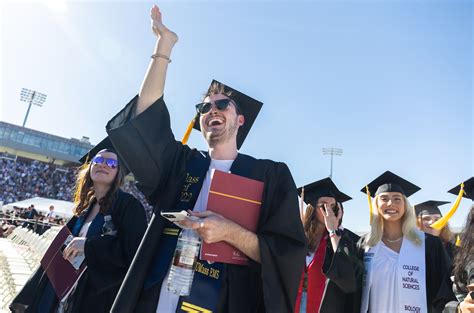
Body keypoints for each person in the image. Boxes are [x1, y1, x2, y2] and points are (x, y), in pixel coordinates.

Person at [105, 4, 306, 313]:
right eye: (203, 107)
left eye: (223, 104)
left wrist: (231, 233)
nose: (211, 110)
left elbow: (286, 255)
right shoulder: (181, 165)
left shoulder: (270, 176)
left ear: (241, 120)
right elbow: (145, 117)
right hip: (154, 301)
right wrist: (164, 45)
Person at [10, 139, 147, 313]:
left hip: (94, 296)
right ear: (90, 167)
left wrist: (88, 245)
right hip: (64, 289)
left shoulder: (129, 206)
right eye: (98, 160)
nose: (103, 164)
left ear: (118, 172)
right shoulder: (85, 207)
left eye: (111, 162)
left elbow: (135, 252)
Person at [357, 171, 451, 313]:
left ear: (405, 205)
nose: (391, 203)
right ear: (376, 204)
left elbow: (443, 289)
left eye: (397, 199)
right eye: (384, 198)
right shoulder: (365, 245)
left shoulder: (429, 244)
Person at [295, 177, 361, 313]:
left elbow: (348, 279)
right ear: (312, 208)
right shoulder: (296, 237)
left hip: (326, 306)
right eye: (323, 205)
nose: (329, 211)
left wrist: (333, 231)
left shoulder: (346, 240)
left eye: (333, 206)